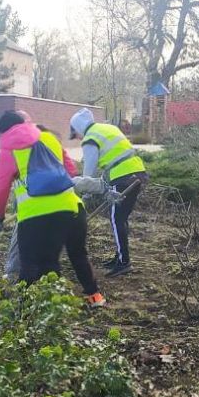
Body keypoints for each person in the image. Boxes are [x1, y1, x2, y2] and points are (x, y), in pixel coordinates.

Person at [0, 110, 105, 307]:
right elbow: (71, 171)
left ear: (4, 132)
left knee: (33, 264)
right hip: (72, 209)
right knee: (78, 254)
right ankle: (95, 298)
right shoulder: (49, 138)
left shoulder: (9, 147)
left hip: (37, 216)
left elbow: (0, 186)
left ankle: (31, 311)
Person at [69, 108, 148, 278]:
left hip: (122, 177)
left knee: (116, 218)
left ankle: (124, 262)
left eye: (75, 134)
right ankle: (120, 256)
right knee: (121, 218)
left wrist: (86, 194)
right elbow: (115, 154)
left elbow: (88, 172)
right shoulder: (108, 128)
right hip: (138, 172)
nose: (77, 137)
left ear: (79, 127)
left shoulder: (90, 139)